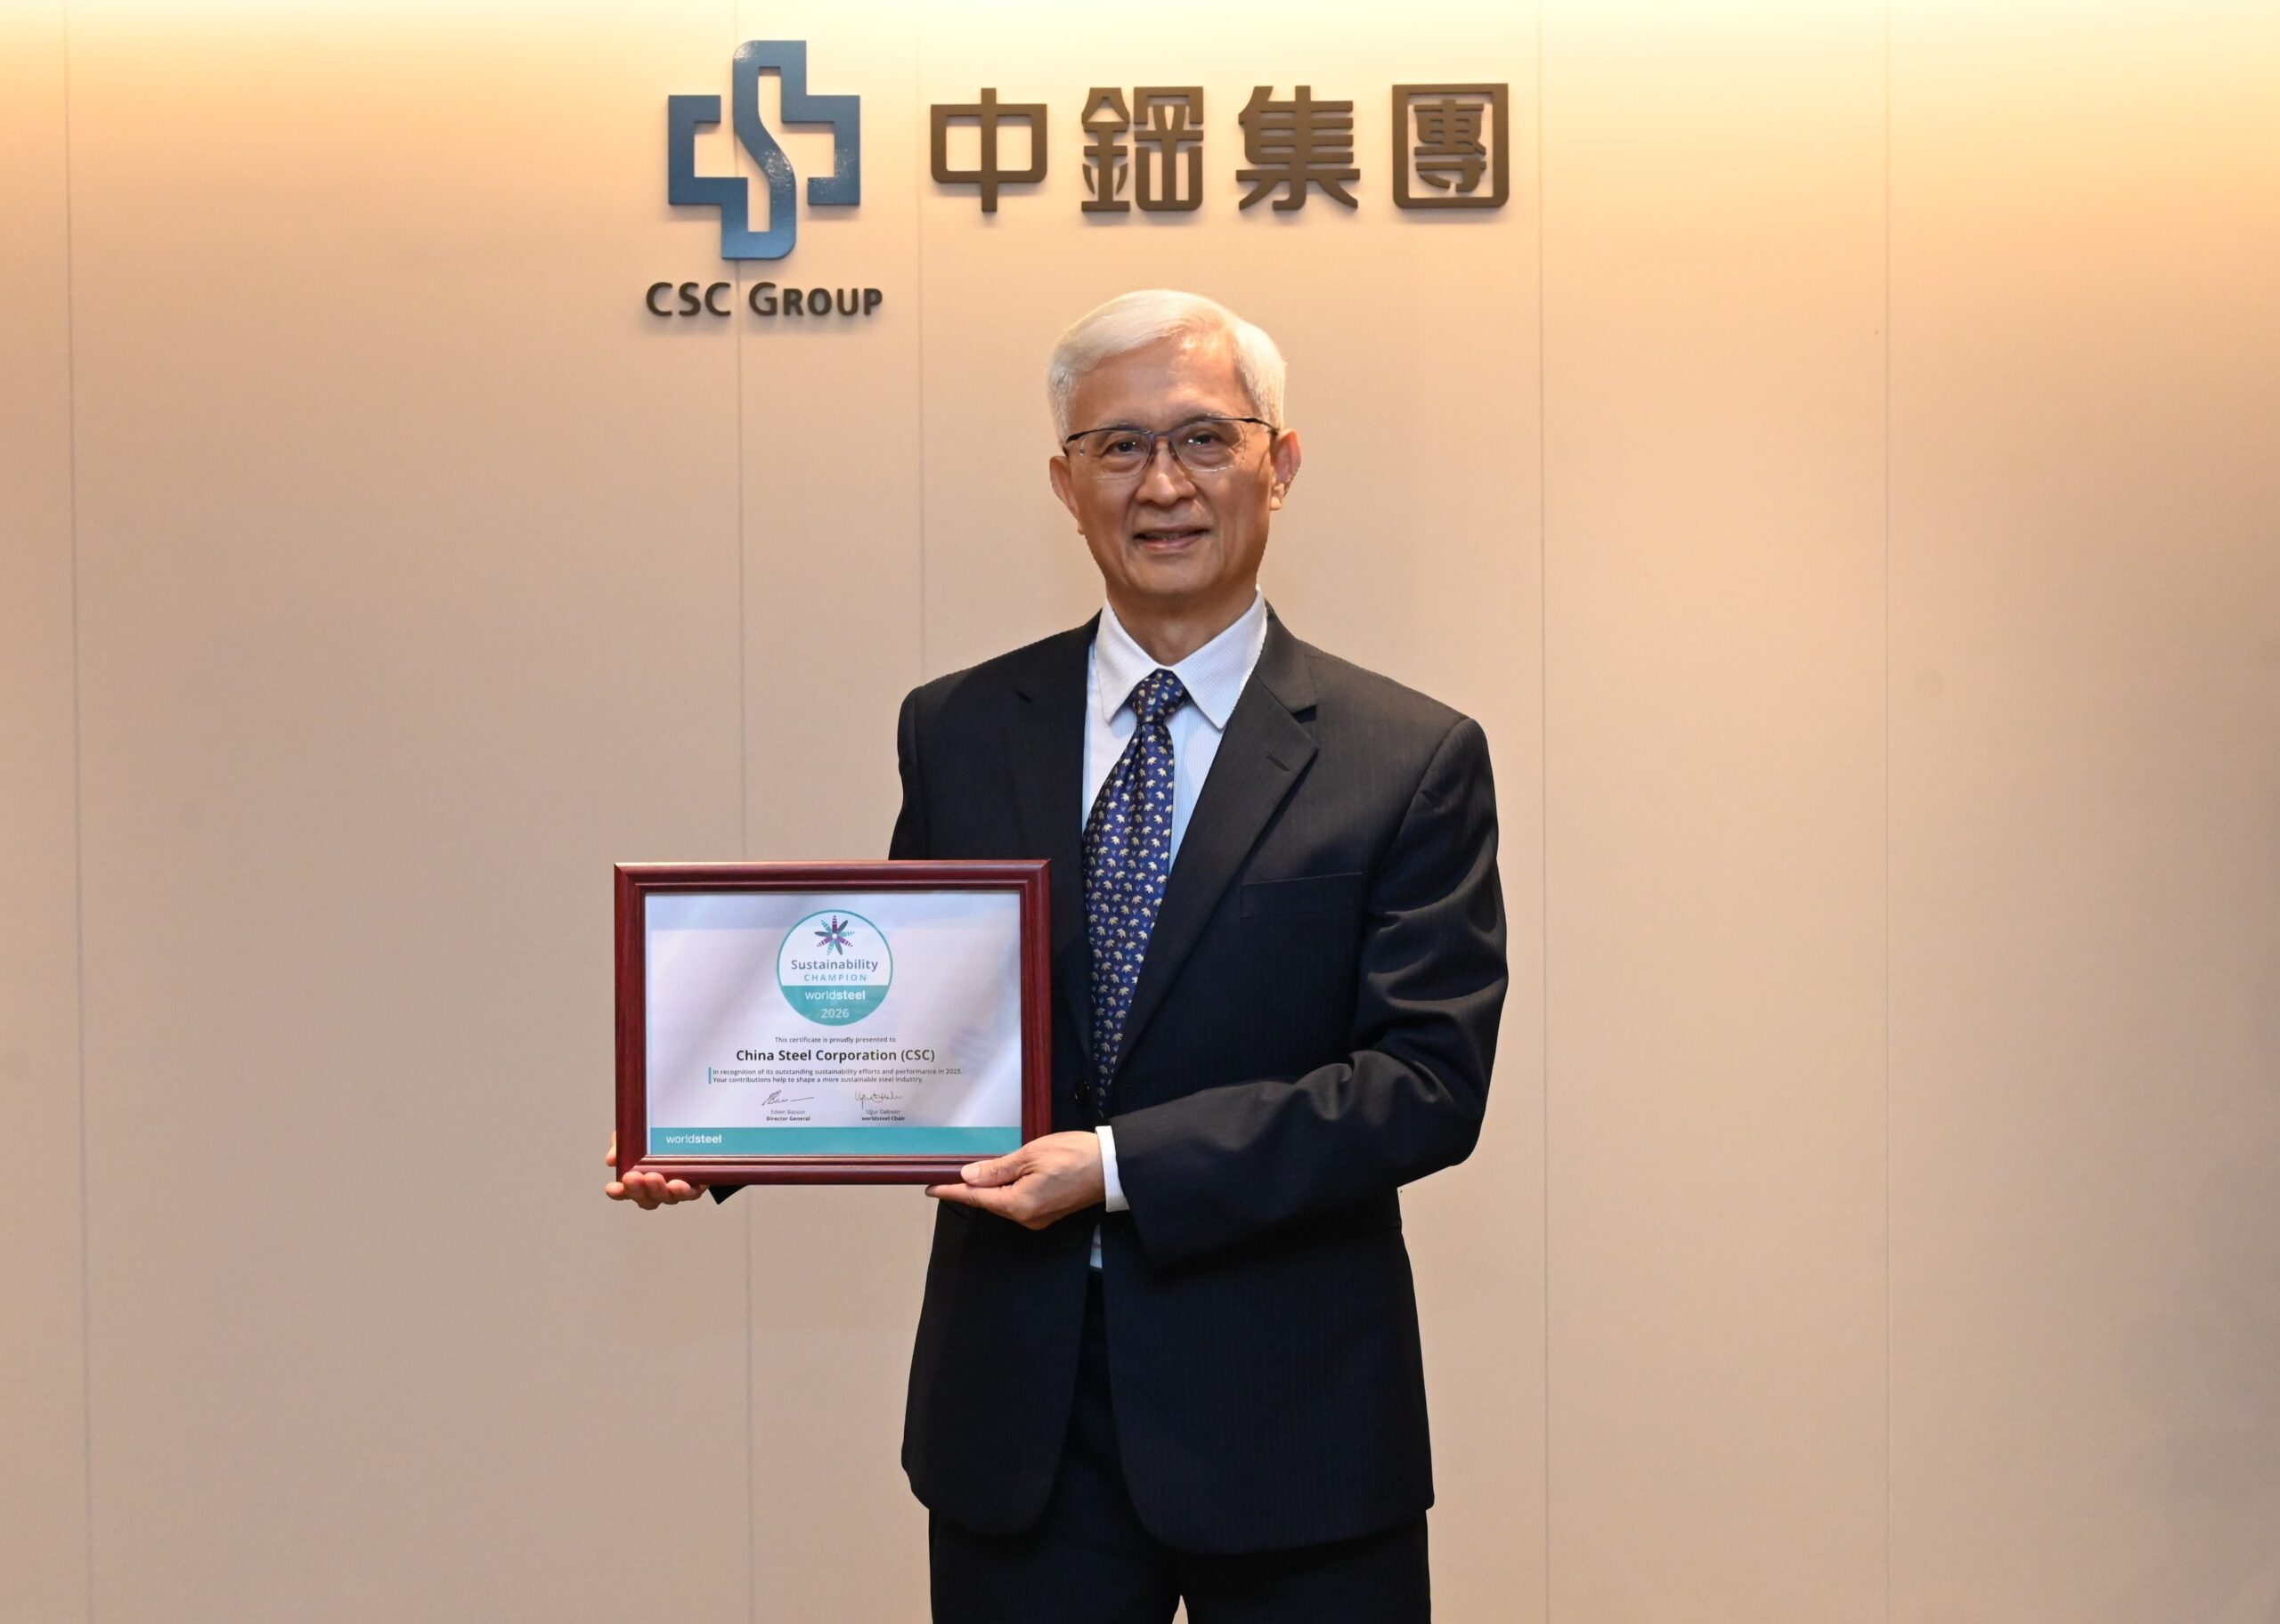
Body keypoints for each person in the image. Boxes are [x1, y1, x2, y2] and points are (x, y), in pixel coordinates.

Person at [607, 288, 1506, 1622]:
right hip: (1019, 1425)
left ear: (1280, 463)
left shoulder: (1409, 757)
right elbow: (920, 1011)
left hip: (1294, 1423)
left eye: (1204, 439)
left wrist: (1120, 1166)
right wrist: (720, 1130)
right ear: (1064, 484)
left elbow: (1424, 1086)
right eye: (1118, 446)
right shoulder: (962, 727)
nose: (1163, 485)